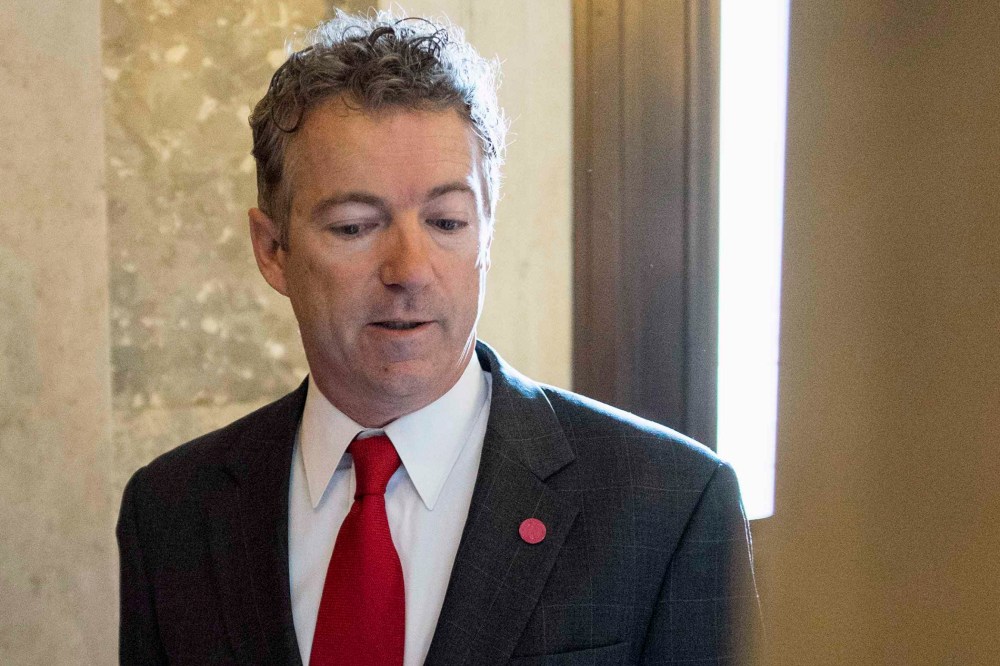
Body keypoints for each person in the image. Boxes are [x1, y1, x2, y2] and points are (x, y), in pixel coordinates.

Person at [117, 10, 760, 665]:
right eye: (353, 227)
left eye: (448, 222)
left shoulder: (671, 504)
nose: (410, 271)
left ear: (488, 231)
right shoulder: (170, 513)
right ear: (272, 250)